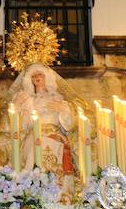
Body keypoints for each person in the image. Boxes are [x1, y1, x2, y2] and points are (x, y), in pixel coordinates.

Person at [10, 63, 76, 194]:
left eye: (39, 74)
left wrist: (63, 110)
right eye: (33, 76)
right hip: (35, 134)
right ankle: (33, 189)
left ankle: (61, 192)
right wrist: (17, 106)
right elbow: (22, 125)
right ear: (30, 80)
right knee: (34, 146)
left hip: (55, 134)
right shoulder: (29, 100)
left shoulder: (57, 98)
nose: (37, 78)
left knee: (57, 145)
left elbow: (68, 125)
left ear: (47, 77)